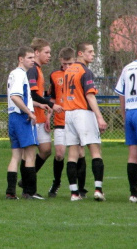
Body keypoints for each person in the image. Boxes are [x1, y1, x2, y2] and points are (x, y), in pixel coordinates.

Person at [63, 42, 107, 201]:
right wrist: (99, 117)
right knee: (95, 151)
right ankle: (98, 190)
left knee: (73, 154)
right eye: (90, 51)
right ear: (80, 54)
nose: (93, 54)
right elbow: (90, 95)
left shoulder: (68, 70)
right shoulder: (85, 71)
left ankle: (74, 193)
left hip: (69, 114)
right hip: (83, 113)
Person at [22, 38, 62, 190]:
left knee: (45, 150)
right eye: (46, 52)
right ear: (37, 52)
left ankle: (25, 180)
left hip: (40, 116)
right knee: (29, 154)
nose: (49, 55)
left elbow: (38, 93)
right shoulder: (33, 70)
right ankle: (26, 184)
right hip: (33, 116)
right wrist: (52, 104)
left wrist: (47, 94)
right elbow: (32, 95)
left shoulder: (38, 70)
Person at [47, 48, 87, 198]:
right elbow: (52, 98)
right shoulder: (54, 75)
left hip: (76, 120)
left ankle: (81, 188)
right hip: (60, 120)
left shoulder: (80, 73)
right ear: (60, 62)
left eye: (69, 64)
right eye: (64, 64)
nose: (66, 67)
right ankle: (56, 183)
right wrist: (48, 116)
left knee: (80, 153)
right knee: (59, 154)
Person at [6, 47, 42, 200]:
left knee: (16, 156)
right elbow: (15, 96)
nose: (32, 60)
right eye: (29, 57)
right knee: (30, 155)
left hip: (12, 117)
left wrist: (39, 105)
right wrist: (29, 112)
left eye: (33, 57)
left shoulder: (13, 74)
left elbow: (21, 97)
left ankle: (10, 192)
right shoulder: (20, 74)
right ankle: (29, 191)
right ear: (21, 59)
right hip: (22, 118)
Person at [114, 40, 137, 203]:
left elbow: (121, 93)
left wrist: (124, 113)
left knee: (132, 156)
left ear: (136, 51)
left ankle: (133, 194)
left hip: (130, 111)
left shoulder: (127, 68)